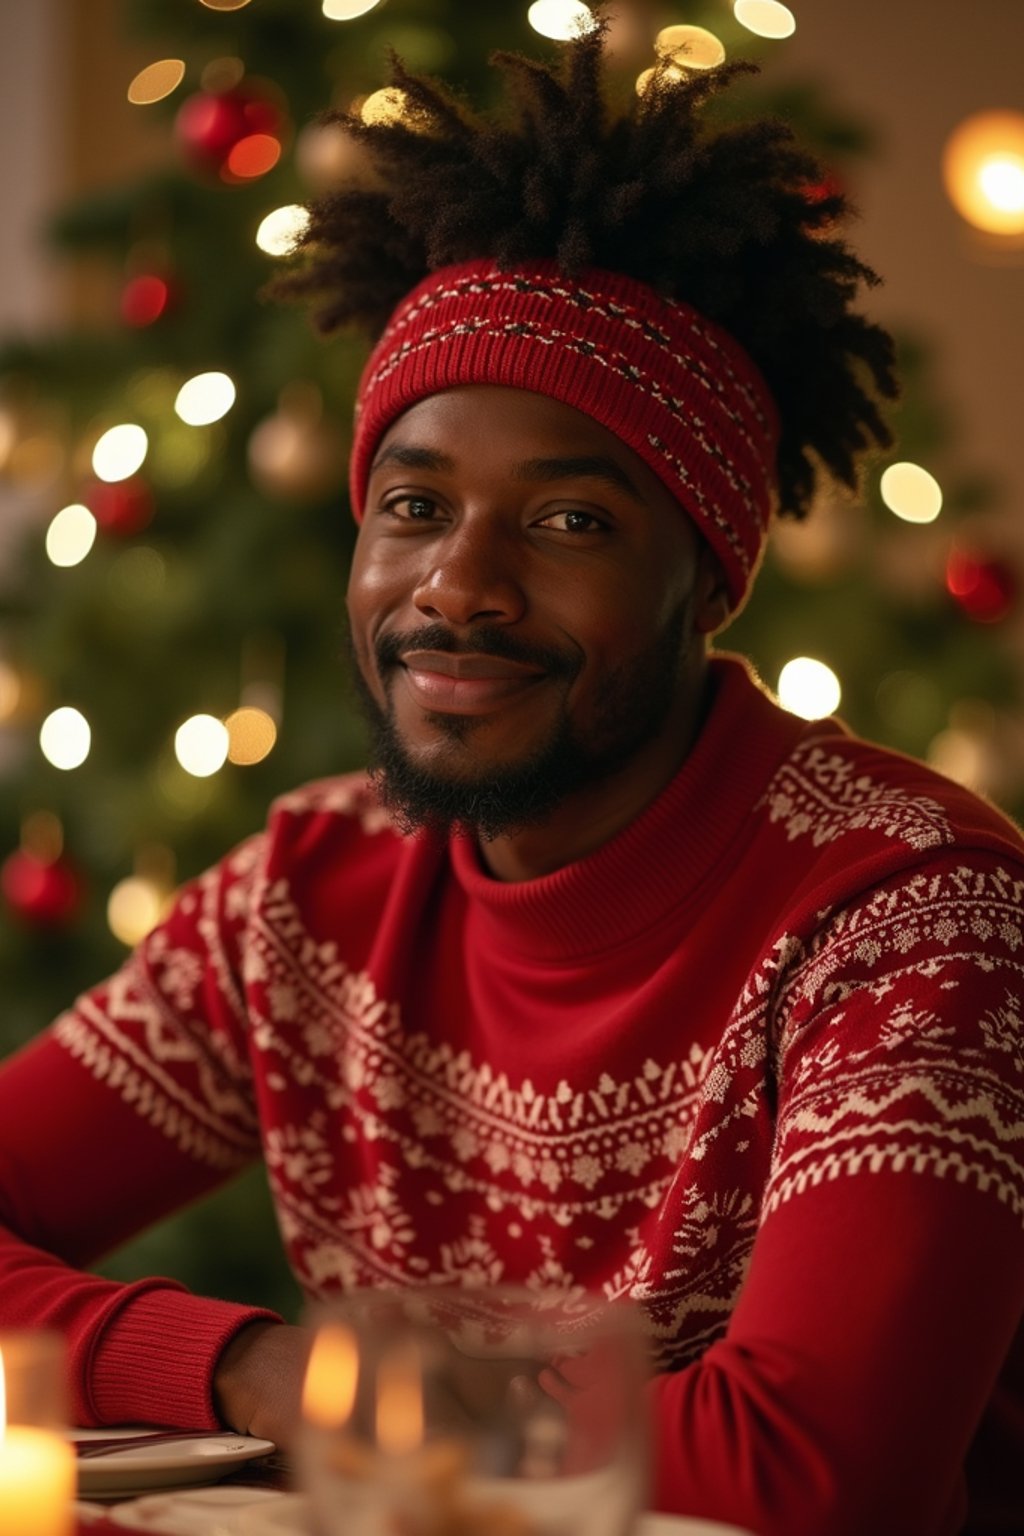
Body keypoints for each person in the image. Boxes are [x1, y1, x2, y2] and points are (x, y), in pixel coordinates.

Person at [2, 21, 1023, 1536]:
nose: (456, 588)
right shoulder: (303, 893)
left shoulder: (908, 911)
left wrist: (354, 1409)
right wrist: (255, 1372)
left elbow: (808, 1469)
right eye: (413, 504)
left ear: (710, 579)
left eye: (570, 525)